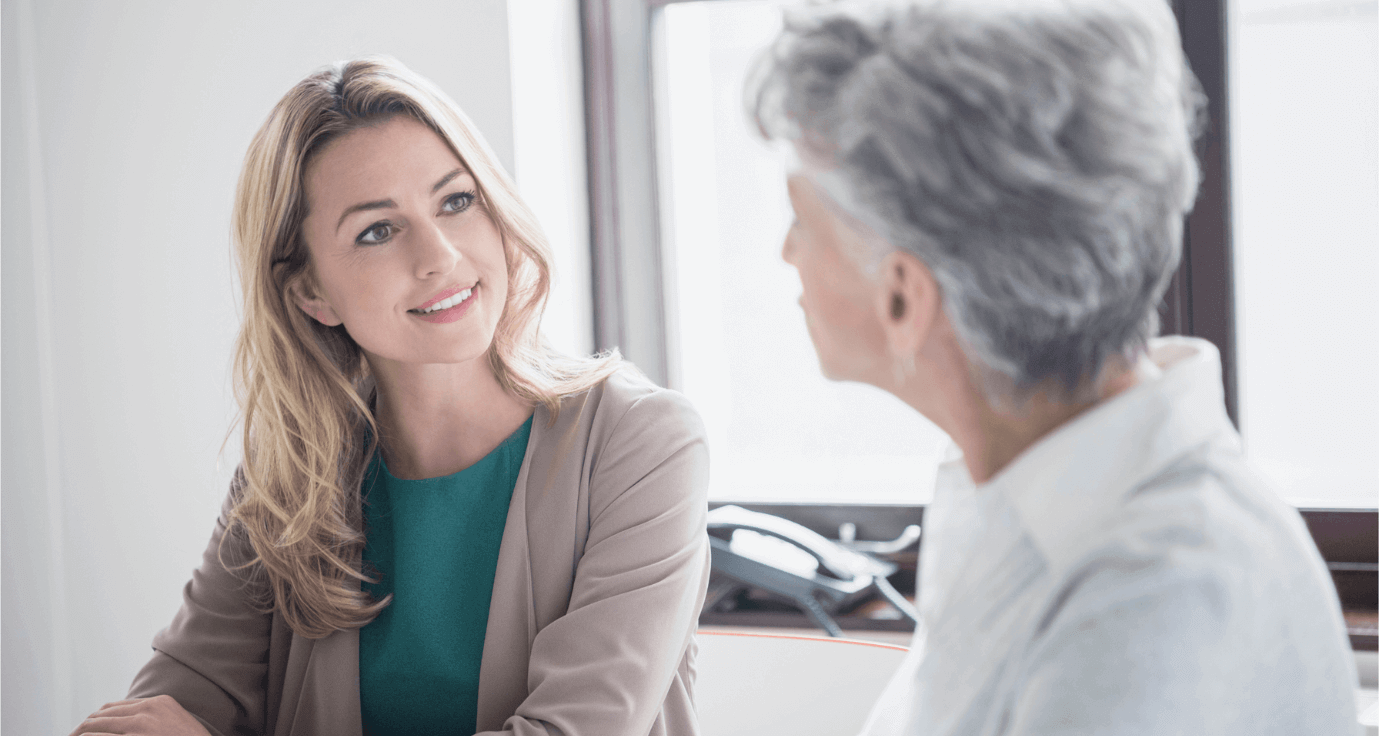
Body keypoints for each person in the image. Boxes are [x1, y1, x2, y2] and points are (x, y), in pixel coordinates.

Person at [748, 0, 1359, 733]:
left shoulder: (1153, 600)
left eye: (800, 221)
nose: (786, 253)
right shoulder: (1018, 488)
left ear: (903, 297)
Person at [68, 56, 710, 736]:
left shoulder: (642, 442)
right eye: (377, 230)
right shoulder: (293, 473)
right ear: (310, 293)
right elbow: (168, 709)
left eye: (456, 201)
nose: (439, 256)